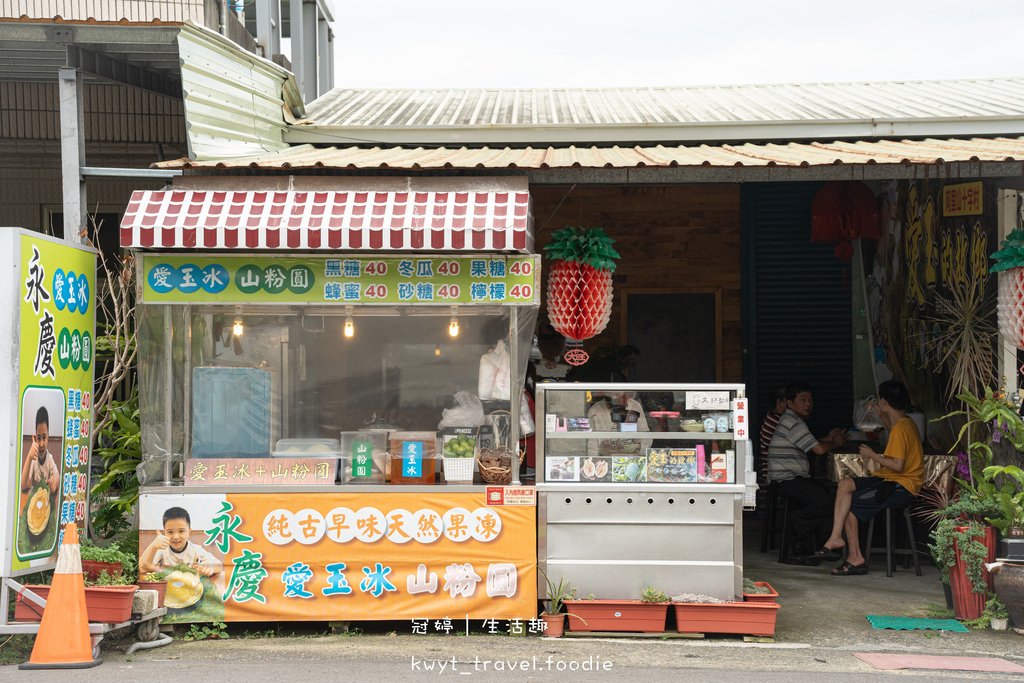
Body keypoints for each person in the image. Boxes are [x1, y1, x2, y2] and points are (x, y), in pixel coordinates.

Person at [813, 380, 923, 575]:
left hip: (901, 486)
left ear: (883, 400)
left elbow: (898, 466)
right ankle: (836, 536)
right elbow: (893, 430)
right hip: (892, 480)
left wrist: (872, 455)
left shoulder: (901, 428)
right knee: (845, 484)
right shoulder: (906, 422)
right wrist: (880, 414)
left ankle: (855, 557)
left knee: (851, 504)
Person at [766, 382, 849, 560]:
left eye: (810, 400)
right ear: (790, 403)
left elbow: (810, 444)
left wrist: (829, 438)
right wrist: (835, 443)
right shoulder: (793, 422)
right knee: (826, 501)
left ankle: (809, 540)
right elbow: (818, 450)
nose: (808, 404)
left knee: (824, 494)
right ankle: (794, 525)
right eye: (802, 400)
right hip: (785, 479)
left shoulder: (793, 421)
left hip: (789, 478)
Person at [140, 506, 223, 578]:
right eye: (170, 532)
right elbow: (143, 567)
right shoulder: (162, 550)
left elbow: (219, 565)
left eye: (181, 531)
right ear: (164, 532)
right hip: (167, 590)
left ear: (189, 532)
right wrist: (153, 546)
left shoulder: (195, 549)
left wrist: (209, 568)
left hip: (190, 591)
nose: (176, 537)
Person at [20, 406, 59, 496]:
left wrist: (54, 482)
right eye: (38, 438)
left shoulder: (49, 459)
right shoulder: (33, 459)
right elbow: (23, 485)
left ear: (48, 437)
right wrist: (29, 458)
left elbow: (57, 477)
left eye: (44, 438)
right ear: (35, 438)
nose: (41, 444)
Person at [759, 386, 788, 481]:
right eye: (788, 402)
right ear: (779, 402)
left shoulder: (778, 419)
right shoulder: (774, 422)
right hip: (777, 475)